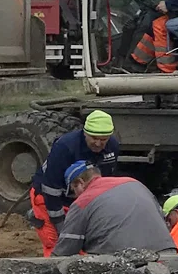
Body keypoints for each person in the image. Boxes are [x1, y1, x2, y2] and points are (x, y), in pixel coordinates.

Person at [28, 110, 119, 257]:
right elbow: (51, 190)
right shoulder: (65, 147)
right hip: (48, 197)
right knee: (57, 243)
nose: (98, 143)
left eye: (103, 140)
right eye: (94, 138)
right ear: (85, 133)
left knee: (84, 241)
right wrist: (61, 226)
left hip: (79, 197)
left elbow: (105, 183)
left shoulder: (112, 147)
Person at [51, 161, 176, 256]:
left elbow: (65, 249)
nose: (75, 197)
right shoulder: (134, 183)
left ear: (80, 183)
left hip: (124, 261)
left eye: (74, 191)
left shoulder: (83, 201)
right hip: (167, 253)